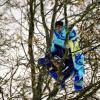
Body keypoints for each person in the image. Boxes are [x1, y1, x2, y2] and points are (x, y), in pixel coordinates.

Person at [38, 20, 85, 91]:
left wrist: (69, 43)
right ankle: (60, 80)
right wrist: (47, 58)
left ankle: (78, 81)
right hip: (60, 52)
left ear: (62, 27)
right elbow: (52, 47)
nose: (58, 29)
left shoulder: (69, 31)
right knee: (49, 64)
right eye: (57, 27)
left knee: (76, 64)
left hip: (70, 52)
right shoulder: (54, 35)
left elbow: (74, 40)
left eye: (59, 27)